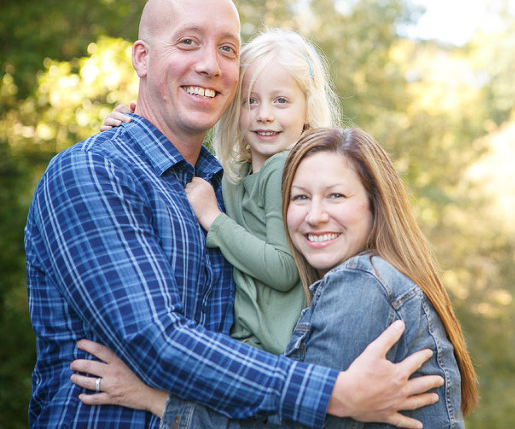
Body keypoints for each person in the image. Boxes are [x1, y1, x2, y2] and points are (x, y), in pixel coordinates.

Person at [25, 0, 442, 429]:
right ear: (142, 59)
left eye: (227, 49)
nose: (209, 64)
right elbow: (153, 340)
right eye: (188, 42)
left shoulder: (220, 190)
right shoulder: (96, 171)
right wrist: (333, 393)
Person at [70, 127, 479, 428]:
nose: (315, 214)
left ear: (375, 206)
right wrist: (133, 126)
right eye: (300, 197)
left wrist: (155, 399)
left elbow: (293, 423)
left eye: (336, 195)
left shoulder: (363, 282)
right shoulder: (353, 284)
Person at [102, 28, 342, 355]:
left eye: (281, 100)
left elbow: (284, 269)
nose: (265, 115)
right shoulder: (235, 175)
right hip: (247, 343)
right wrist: (134, 126)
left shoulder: (284, 169)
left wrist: (214, 219)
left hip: (280, 351)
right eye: (250, 101)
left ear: (307, 109)